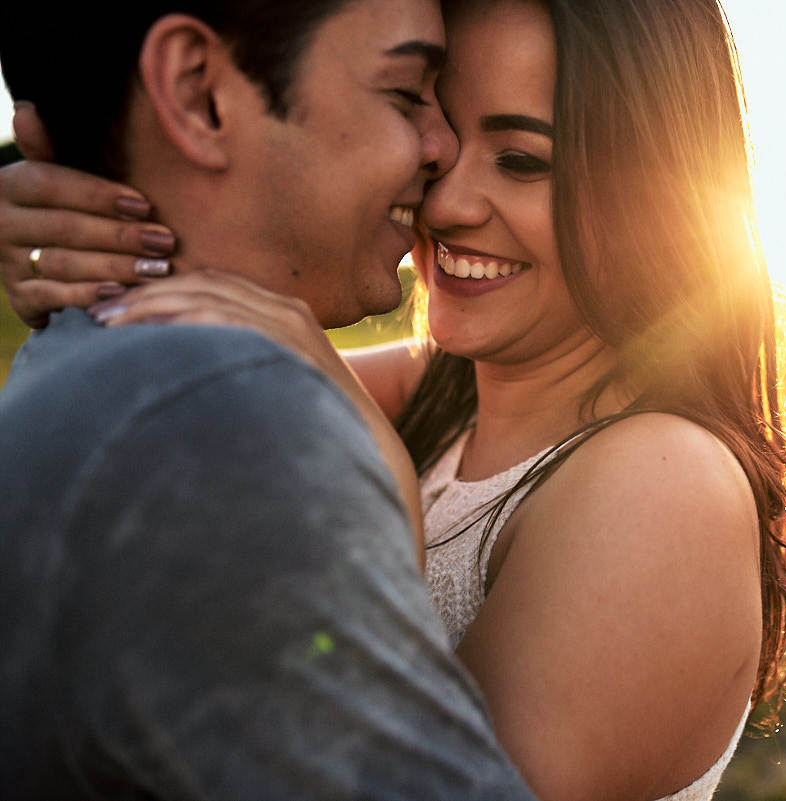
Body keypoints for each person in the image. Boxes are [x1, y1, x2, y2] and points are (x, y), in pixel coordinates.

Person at [0, 0, 786, 799]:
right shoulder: (438, 393)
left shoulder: (663, 479)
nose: (443, 200)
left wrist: (372, 476)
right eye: (432, 126)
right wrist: (85, 221)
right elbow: (213, 298)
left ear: (660, 193)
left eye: (522, 160)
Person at [0, 2, 539, 799]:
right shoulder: (219, 425)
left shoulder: (93, 360)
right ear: (197, 94)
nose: (442, 147)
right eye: (404, 93)